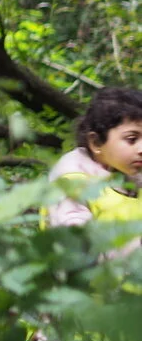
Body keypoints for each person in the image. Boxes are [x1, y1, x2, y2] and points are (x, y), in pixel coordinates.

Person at [45, 85, 142, 238]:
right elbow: (76, 246)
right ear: (96, 143)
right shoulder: (72, 184)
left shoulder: (130, 175)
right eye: (132, 139)